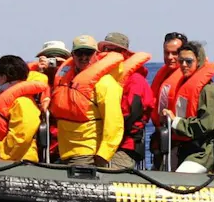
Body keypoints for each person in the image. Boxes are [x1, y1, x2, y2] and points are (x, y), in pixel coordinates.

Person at [49, 35, 125, 167]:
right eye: (79, 53)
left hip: (87, 154)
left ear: (96, 54)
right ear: (72, 54)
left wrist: (103, 155)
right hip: (64, 152)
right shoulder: (65, 80)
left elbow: (114, 124)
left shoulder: (105, 84)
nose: (83, 57)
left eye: (88, 53)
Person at [161, 41, 214, 173]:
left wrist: (176, 121)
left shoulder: (207, 89)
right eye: (181, 61)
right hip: (184, 147)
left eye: (188, 61)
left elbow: (208, 124)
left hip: (203, 151)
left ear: (198, 61)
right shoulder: (184, 84)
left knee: (180, 178)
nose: (184, 65)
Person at [98, 31, 153, 170]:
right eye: (106, 50)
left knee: (105, 174)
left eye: (115, 51)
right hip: (102, 144)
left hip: (125, 146)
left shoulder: (136, 81)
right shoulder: (103, 79)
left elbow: (131, 114)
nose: (109, 54)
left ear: (125, 54)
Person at [0, 55, 47, 162]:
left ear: (3, 77)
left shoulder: (22, 102)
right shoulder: (8, 99)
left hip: (21, 163)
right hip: (2, 159)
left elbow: (20, 139)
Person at [151, 31, 188, 169]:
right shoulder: (162, 75)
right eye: (167, 53)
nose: (170, 57)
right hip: (162, 138)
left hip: (180, 143)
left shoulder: (188, 78)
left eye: (175, 53)